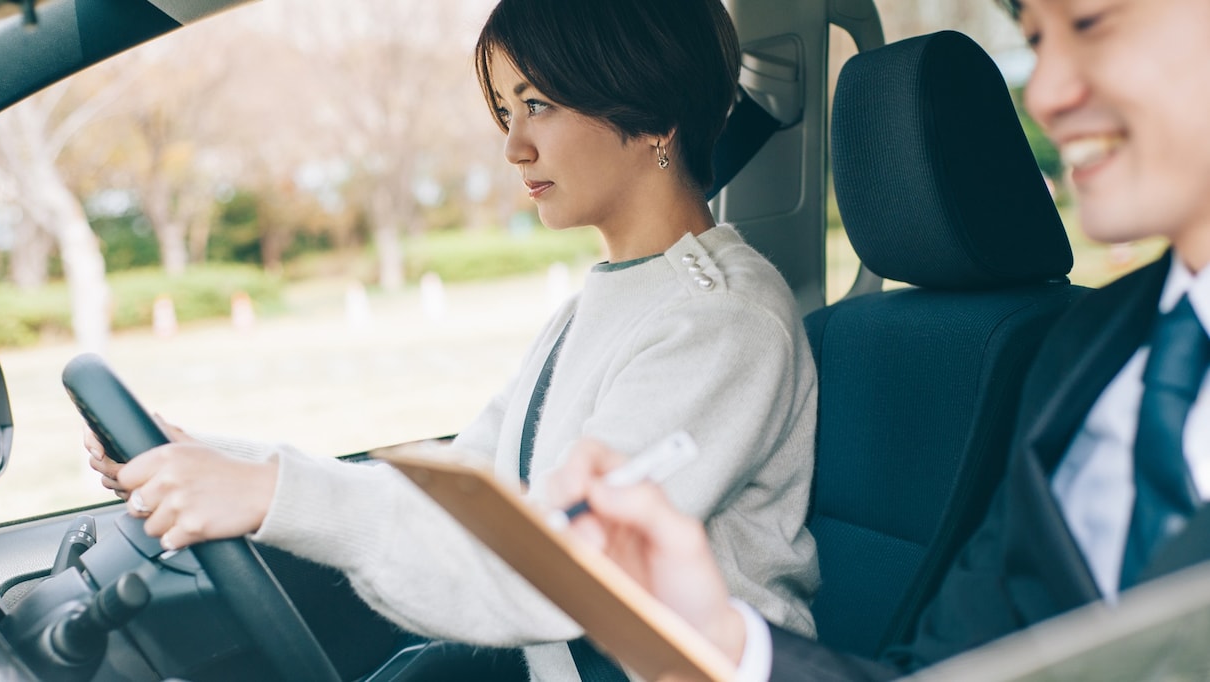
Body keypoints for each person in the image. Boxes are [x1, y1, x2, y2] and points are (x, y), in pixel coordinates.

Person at [87, 0, 822, 679]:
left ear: (654, 113)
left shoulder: (721, 322)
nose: (512, 146)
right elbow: (469, 488)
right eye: (505, 110)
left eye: (538, 104)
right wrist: (219, 458)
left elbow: (561, 573)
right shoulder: (606, 302)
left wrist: (272, 494)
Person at [549, 0, 1210, 678]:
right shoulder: (1089, 351)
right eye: (1035, 40)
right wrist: (718, 643)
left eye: (1091, 22)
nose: (1042, 94)